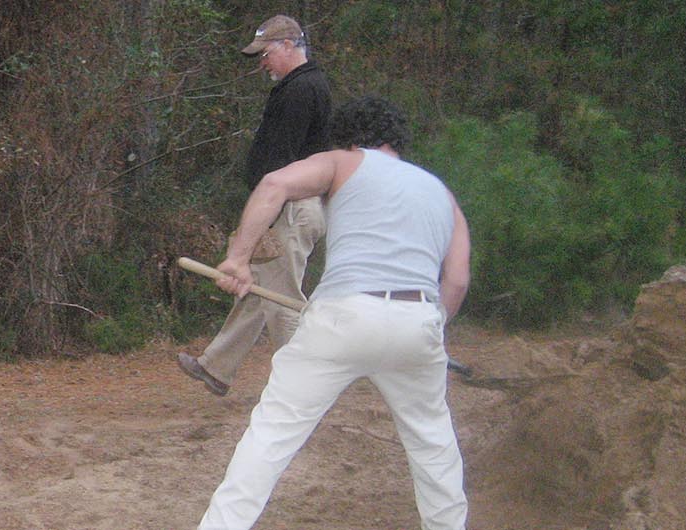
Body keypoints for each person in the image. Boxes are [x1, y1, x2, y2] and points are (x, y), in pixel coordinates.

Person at [196, 96, 471, 529]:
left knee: (273, 434)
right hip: (418, 320)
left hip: (344, 314)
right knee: (434, 448)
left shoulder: (344, 162)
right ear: (396, 140)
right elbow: (455, 280)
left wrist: (239, 258)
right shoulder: (441, 193)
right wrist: (432, 328)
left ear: (348, 137)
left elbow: (273, 185)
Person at [178, 15, 331, 396]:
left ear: (288, 45)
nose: (262, 62)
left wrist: (264, 213)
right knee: (260, 288)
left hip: (289, 206)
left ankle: (302, 388)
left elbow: (281, 161)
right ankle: (216, 366)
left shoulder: (301, 90)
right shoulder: (300, 86)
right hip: (287, 204)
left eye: (265, 53)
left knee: (282, 302)